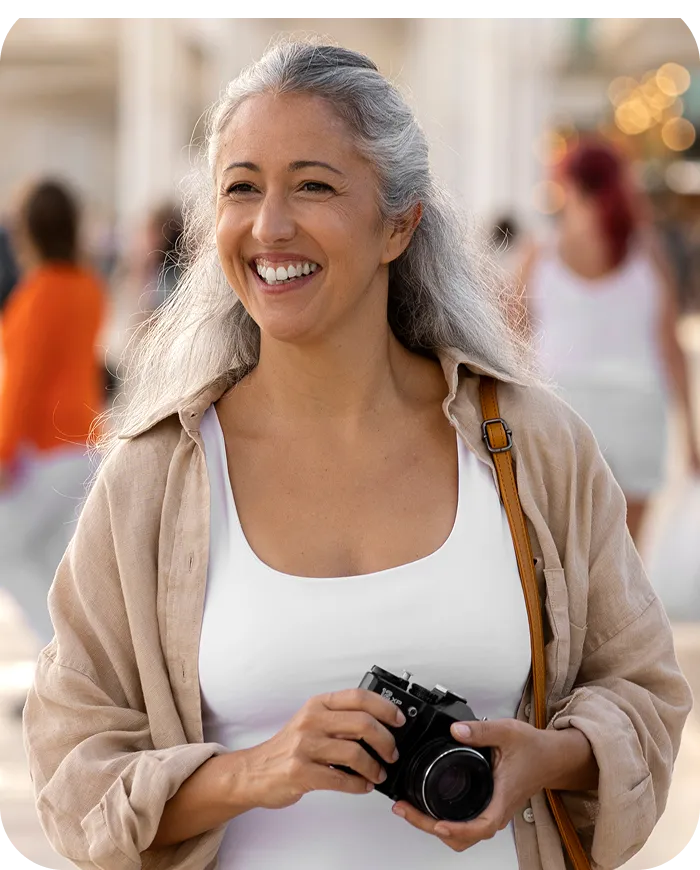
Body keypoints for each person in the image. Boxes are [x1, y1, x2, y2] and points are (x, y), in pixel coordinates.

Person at [22, 40, 692, 870]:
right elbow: (71, 764)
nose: (270, 226)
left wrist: (550, 758)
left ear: (398, 225)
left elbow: (645, 689)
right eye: (241, 188)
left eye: (314, 184)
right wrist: (252, 772)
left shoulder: (529, 447)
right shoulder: (154, 478)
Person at [517, 139, 700, 546]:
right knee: (628, 561)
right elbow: (671, 349)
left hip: (562, 411)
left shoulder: (540, 254)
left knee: (562, 557)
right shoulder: (646, 252)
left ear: (567, 184)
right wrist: (691, 436)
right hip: (637, 410)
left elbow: (507, 342)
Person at [0, 178, 106, 649]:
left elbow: (21, 386)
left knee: (11, 552)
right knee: (58, 566)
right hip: (84, 444)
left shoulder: (35, 295)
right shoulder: (89, 288)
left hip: (44, 452)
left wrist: (2, 453)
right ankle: (68, 663)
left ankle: (57, 660)